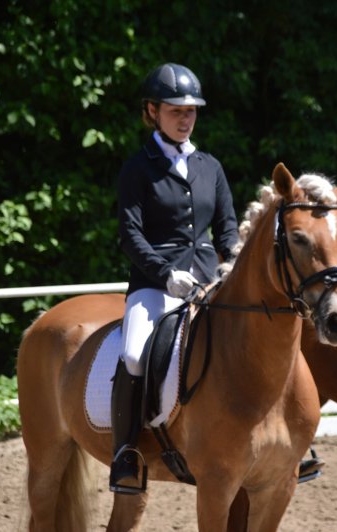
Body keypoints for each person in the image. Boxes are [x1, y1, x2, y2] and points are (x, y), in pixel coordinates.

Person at [111, 63, 240, 493]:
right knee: (134, 354)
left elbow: (227, 230)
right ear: (153, 112)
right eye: (175, 111)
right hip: (154, 283)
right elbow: (130, 236)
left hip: (207, 282)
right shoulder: (137, 168)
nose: (185, 119)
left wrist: (234, 263)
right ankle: (126, 451)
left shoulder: (210, 166)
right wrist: (165, 275)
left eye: (191, 111)